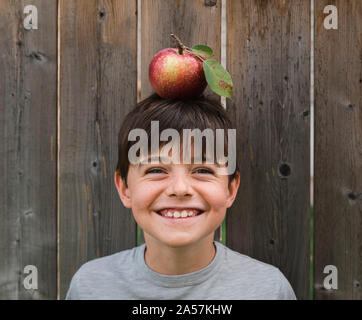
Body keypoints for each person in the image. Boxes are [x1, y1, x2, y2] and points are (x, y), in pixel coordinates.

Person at [65, 93, 296, 300]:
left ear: (230, 189)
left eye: (203, 170)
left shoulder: (268, 290)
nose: (180, 188)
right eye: (155, 170)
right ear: (124, 188)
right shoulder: (90, 287)